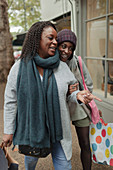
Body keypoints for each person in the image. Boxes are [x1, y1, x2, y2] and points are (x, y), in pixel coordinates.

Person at [2, 21, 101, 170]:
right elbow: (11, 101)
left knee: (64, 166)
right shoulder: (19, 67)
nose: (55, 42)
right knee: (30, 162)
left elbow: (71, 92)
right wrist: (8, 131)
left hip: (58, 129)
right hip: (33, 130)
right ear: (37, 39)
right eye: (50, 38)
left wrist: (78, 95)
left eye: (56, 38)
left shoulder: (61, 67)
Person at [57, 29, 95, 170]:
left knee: (85, 143)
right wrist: (65, 92)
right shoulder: (51, 63)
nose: (66, 51)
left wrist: (81, 93)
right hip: (61, 107)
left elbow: (89, 84)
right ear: (57, 45)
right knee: (60, 144)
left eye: (70, 48)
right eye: (63, 46)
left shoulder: (78, 61)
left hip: (79, 107)